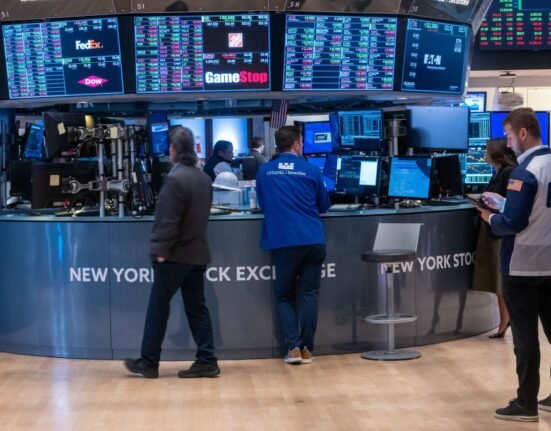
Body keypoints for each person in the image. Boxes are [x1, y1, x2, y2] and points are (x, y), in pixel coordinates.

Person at [124, 126, 220, 379]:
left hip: (175, 255)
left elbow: (168, 221)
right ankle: (207, 359)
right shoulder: (203, 178)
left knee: (158, 307)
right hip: (197, 253)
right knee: (197, 308)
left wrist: (160, 251)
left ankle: (148, 361)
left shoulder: (175, 179)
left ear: (174, 150)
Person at [477, 108, 551, 422]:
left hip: (522, 265)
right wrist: (505, 203)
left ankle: (526, 403)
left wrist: (490, 216)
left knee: (525, 336)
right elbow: (538, 209)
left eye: (509, 136)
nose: (508, 143)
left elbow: (514, 223)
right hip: (549, 262)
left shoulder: (524, 171)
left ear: (522, 133)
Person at [256, 125, 331, 364]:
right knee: (309, 294)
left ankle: (293, 348)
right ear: (297, 144)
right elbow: (324, 205)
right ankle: (307, 349)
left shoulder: (264, 171)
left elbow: (262, 204)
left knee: (285, 296)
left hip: (283, 240)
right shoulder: (311, 170)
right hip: (312, 239)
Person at [471, 138, 517, 338]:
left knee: (500, 281)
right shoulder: (499, 172)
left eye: (487, 151)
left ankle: (505, 320)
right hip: (492, 227)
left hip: (498, 231)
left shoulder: (508, 172)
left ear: (496, 153)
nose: (484, 154)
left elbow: (508, 203)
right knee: (497, 281)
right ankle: (504, 320)